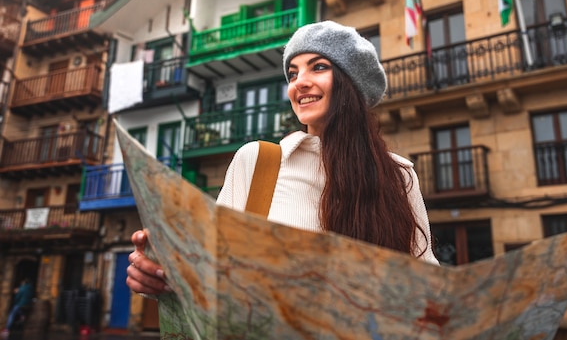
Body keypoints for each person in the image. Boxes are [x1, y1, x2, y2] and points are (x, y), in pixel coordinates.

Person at [126, 20, 439, 296]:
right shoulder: (259, 162)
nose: (298, 83)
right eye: (293, 73)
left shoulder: (399, 175)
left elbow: (425, 280)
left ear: (351, 84)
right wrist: (158, 275)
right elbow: (210, 266)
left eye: (318, 67)